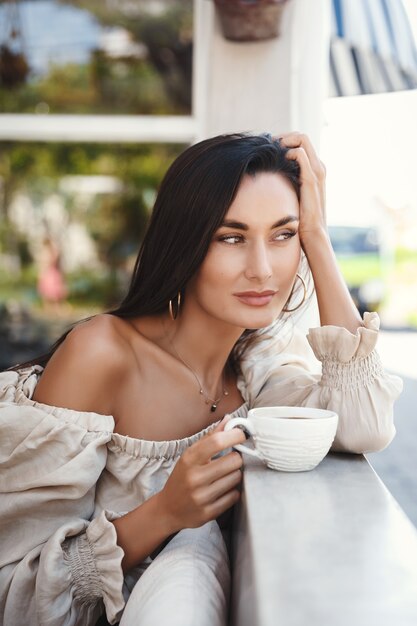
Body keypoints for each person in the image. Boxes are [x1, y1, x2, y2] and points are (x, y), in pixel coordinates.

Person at [0, 132, 402, 626]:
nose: (262, 269)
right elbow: (13, 588)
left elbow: (366, 424)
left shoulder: (259, 363)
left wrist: (318, 236)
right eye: (230, 238)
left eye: (283, 235)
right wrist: (166, 513)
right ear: (185, 243)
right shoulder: (103, 354)